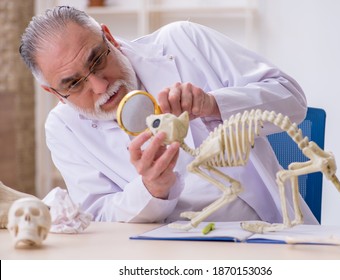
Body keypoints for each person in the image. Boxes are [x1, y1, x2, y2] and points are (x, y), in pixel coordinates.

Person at [19, 6, 318, 225]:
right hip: (172, 256)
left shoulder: (183, 41)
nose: (100, 86)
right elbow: (97, 217)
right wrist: (151, 189)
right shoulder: (63, 129)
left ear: (109, 38)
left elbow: (293, 100)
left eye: (97, 59)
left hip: (274, 233)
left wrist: (213, 104)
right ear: (55, 94)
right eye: (74, 83)